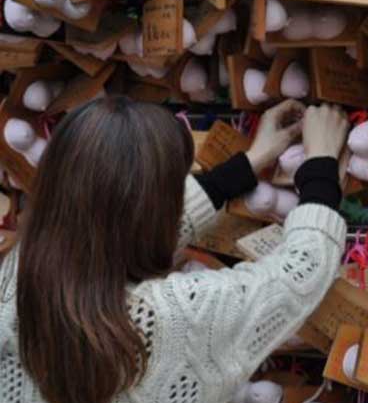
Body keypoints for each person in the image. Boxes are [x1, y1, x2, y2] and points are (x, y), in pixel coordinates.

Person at [0, 97, 349, 403]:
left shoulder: (20, 272)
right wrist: (320, 163)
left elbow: (112, 231)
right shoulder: (168, 319)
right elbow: (298, 271)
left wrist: (250, 162)